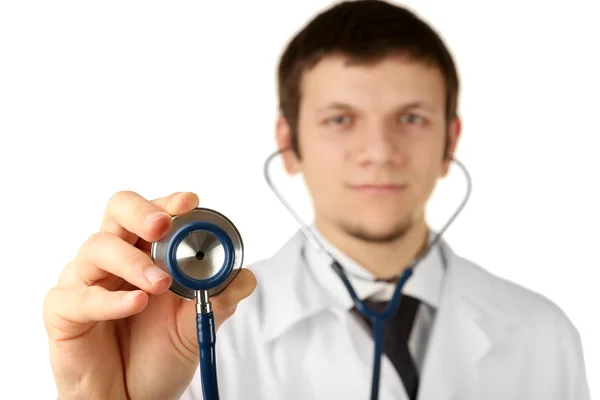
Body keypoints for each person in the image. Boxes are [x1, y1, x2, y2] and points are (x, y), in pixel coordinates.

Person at [43, 1, 591, 399]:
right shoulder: (198, 338)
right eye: (340, 119)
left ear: (450, 142)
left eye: (411, 118)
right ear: (289, 143)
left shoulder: (544, 335)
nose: (378, 151)